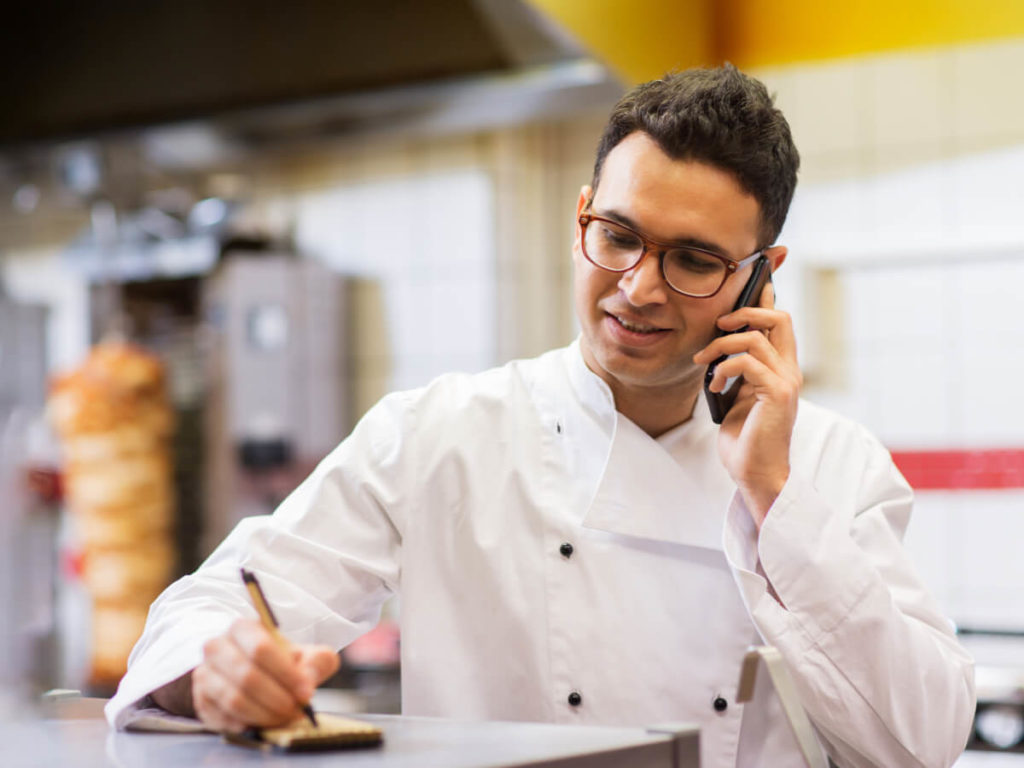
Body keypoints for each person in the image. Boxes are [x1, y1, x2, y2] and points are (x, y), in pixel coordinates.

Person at [106, 65, 975, 767]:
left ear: (760, 275)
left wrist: (776, 499)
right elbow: (216, 605)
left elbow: (924, 741)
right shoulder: (441, 435)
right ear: (580, 218)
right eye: (619, 235)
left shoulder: (834, 466)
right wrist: (214, 675)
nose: (637, 287)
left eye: (695, 260)